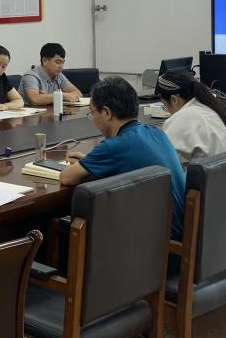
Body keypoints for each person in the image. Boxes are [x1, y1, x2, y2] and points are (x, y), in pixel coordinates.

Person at [59, 77, 186, 239]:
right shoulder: (155, 132)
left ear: (106, 113)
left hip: (155, 241)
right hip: (175, 232)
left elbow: (66, 177)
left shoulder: (114, 146)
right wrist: (90, 161)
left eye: (92, 112)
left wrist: (91, 162)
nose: (92, 118)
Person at [155, 69, 226, 167]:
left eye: (165, 106)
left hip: (218, 176)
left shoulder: (184, 118)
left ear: (174, 100)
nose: (167, 111)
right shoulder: (221, 110)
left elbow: (162, 165)